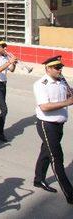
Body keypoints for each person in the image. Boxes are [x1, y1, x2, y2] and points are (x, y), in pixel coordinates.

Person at [32, 55, 73, 203]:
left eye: (60, 67)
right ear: (48, 68)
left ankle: (38, 179)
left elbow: (68, 94)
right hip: (47, 124)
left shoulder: (61, 80)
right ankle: (70, 194)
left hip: (59, 124)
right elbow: (45, 107)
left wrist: (70, 95)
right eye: (56, 67)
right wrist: (67, 102)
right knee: (57, 157)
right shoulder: (41, 84)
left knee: (46, 152)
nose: (60, 70)